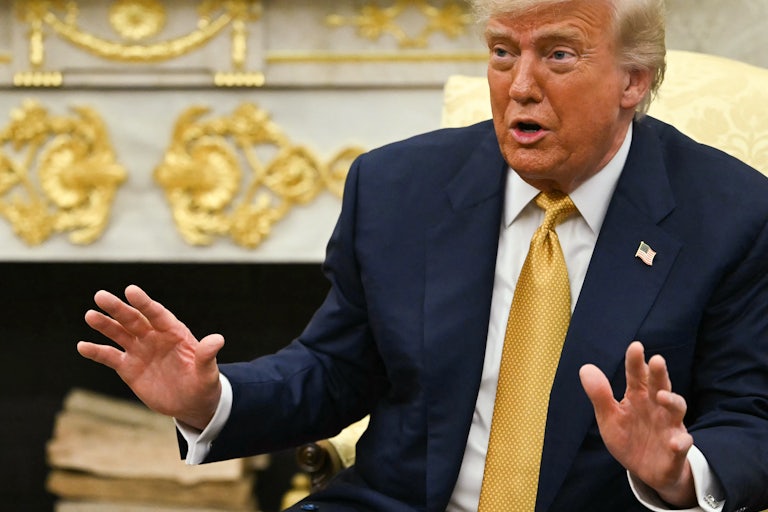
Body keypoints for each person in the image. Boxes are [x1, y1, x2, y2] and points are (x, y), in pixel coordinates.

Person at [77, 0, 768, 510]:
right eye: (503, 52)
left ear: (633, 81)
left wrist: (679, 472)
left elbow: (751, 417)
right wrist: (212, 398)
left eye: (558, 54)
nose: (520, 85)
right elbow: (336, 370)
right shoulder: (397, 186)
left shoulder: (730, 215)